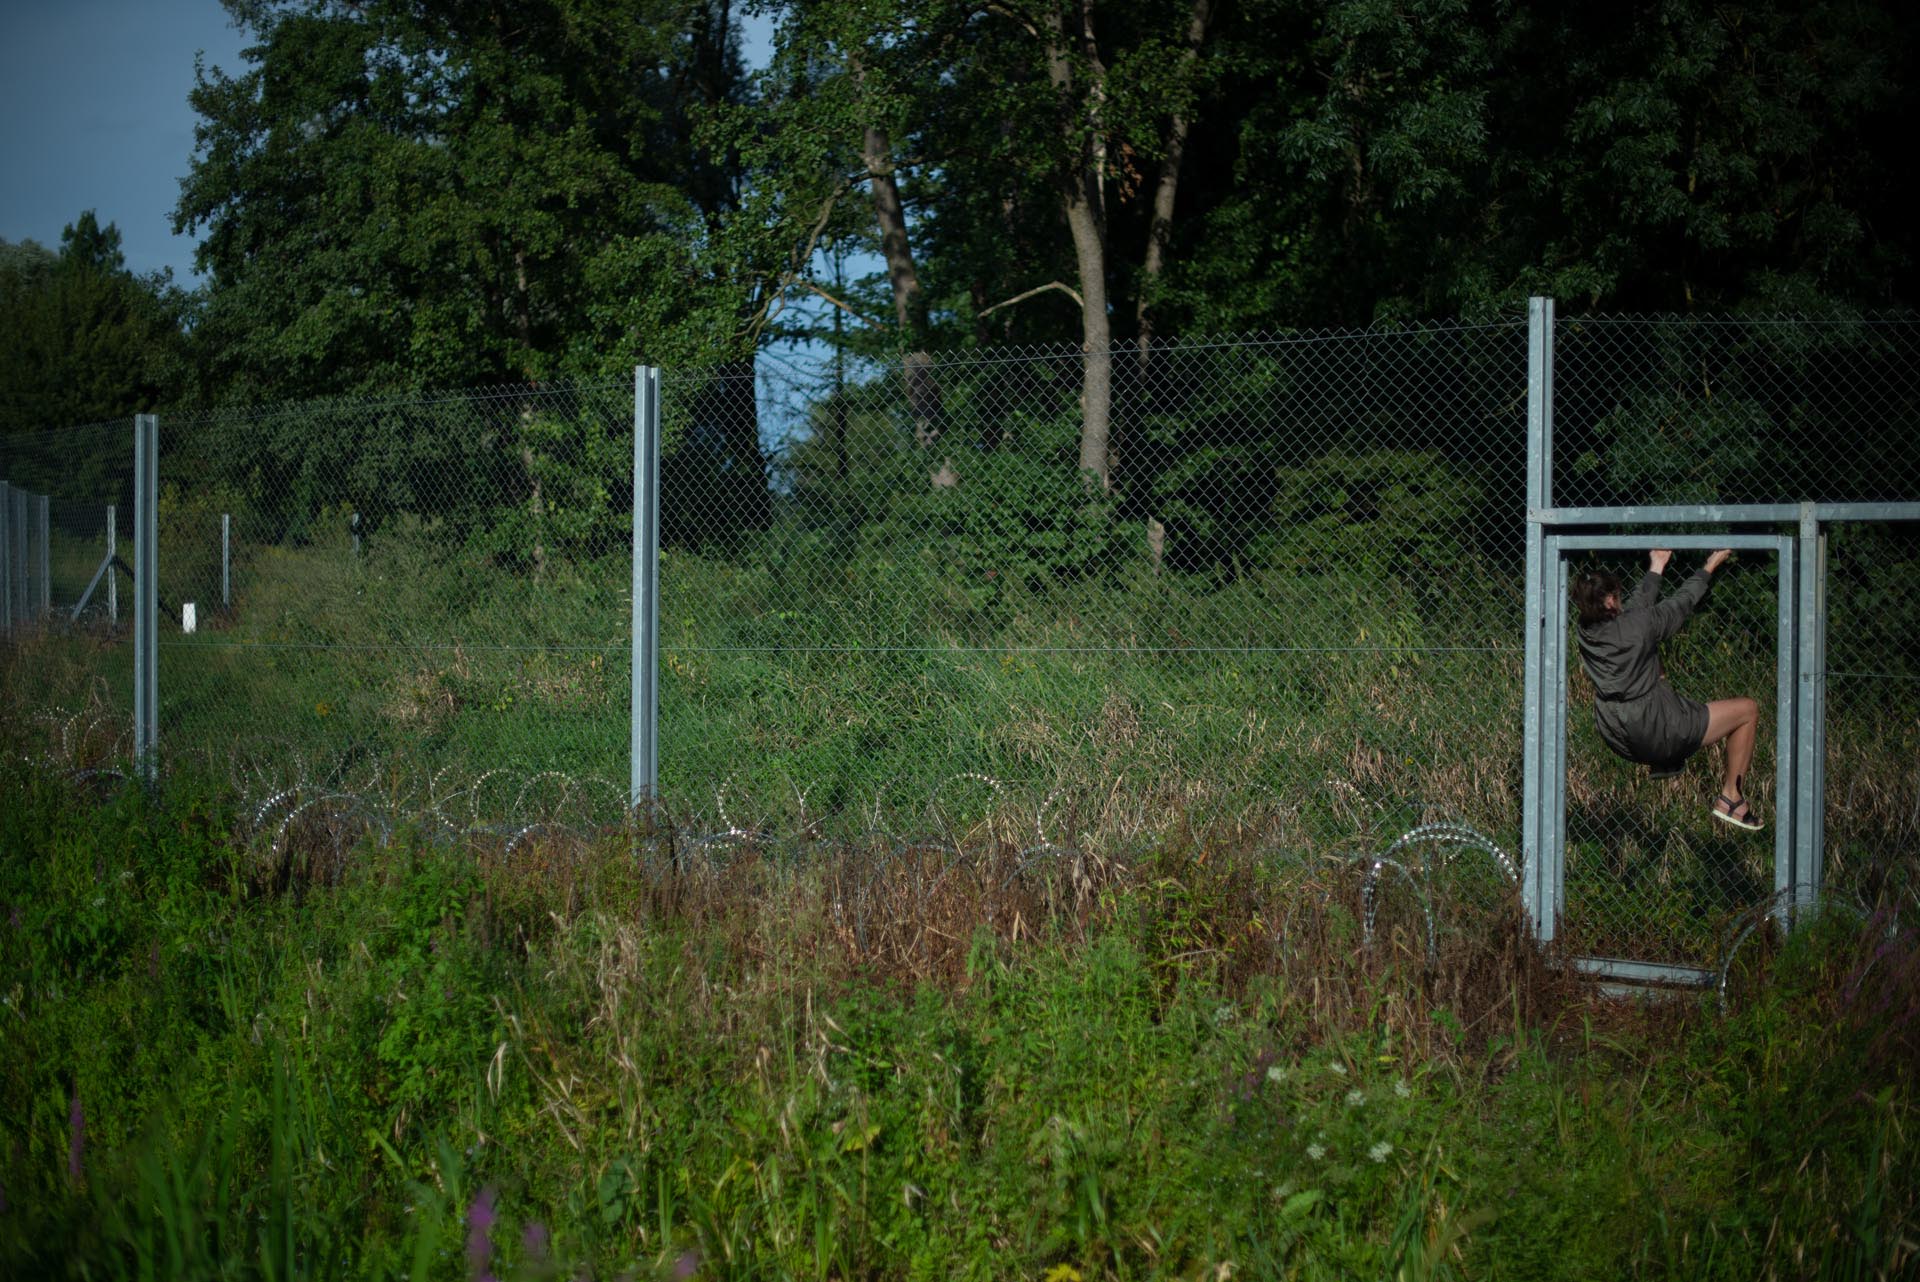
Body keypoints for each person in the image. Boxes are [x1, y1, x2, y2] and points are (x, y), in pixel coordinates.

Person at [1570, 548, 1763, 832]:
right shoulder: (1639, 626)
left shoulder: (1585, 630)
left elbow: (1635, 611)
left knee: (1655, 671)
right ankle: (1731, 799)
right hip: (1653, 725)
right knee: (1747, 710)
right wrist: (1709, 566)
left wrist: (1657, 566)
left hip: (1614, 731)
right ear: (1610, 600)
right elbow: (1681, 603)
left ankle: (1665, 758)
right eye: (1617, 595)